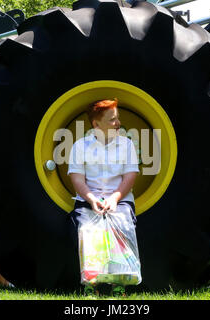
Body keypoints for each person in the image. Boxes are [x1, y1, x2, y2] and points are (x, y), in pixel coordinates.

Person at [67, 98, 140, 296]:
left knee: (122, 225)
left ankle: (120, 284)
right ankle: (91, 285)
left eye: (118, 119)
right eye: (112, 120)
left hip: (120, 199)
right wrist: (92, 200)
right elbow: (78, 180)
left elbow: (130, 176)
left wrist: (115, 199)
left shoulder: (126, 144)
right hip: (89, 199)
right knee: (87, 229)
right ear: (96, 124)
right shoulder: (80, 146)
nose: (118, 123)